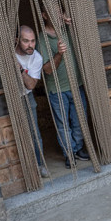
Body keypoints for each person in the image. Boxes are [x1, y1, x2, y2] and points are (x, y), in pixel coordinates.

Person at [36, 10, 90, 168]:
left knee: (80, 121)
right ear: (44, 15)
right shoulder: (42, 39)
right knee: (63, 125)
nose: (58, 15)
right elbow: (47, 70)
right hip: (57, 90)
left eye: (59, 11)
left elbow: (87, 38)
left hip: (77, 85)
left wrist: (73, 24)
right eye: (53, 11)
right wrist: (59, 54)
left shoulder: (68, 30)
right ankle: (69, 153)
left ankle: (78, 148)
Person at [13, 25, 50, 178]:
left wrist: (20, 69)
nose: (30, 45)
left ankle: (39, 165)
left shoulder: (37, 57)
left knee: (34, 133)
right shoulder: (8, 53)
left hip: (26, 96)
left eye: (33, 41)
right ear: (17, 40)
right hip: (9, 97)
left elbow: (31, 85)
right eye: (26, 41)